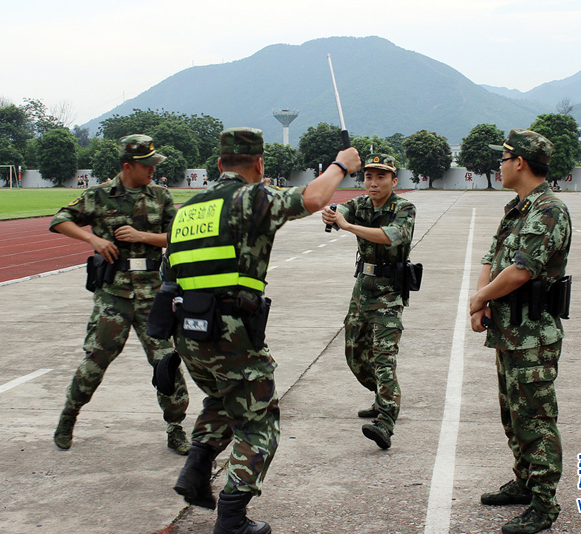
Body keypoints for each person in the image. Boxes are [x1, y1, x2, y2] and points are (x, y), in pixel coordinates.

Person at [160, 127, 360, 534]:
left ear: (219, 163)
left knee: (222, 398)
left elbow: (168, 275)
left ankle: (197, 468)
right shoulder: (251, 197)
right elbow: (313, 198)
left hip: (188, 330)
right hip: (231, 331)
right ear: (259, 163)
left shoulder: (188, 210)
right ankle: (232, 519)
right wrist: (342, 164)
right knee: (258, 422)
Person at [50, 134, 191, 455]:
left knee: (166, 362)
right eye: (147, 165)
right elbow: (60, 220)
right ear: (128, 166)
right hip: (113, 295)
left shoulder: (161, 196)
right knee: (96, 359)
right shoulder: (99, 196)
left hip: (152, 295)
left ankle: (175, 427)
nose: (153, 169)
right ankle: (69, 415)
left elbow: (178, 237)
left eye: (154, 164)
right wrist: (93, 240)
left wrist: (143, 236)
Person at [468, 129, 571, 534]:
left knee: (536, 418)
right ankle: (525, 481)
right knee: (513, 415)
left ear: (520, 163)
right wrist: (482, 301)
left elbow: (521, 270)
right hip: (509, 329)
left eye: (504, 158)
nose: (500, 165)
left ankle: (544, 503)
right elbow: (492, 257)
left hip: (533, 334)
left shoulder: (549, 210)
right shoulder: (518, 208)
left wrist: (480, 299)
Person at [320, 154, 416, 450]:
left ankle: (386, 420)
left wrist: (348, 226)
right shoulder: (360, 204)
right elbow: (342, 210)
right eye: (369, 177)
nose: (373, 183)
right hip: (363, 287)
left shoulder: (404, 208)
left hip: (390, 291)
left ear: (394, 181)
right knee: (354, 350)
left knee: (383, 354)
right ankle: (382, 395)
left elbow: (392, 236)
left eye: (381, 177)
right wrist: (332, 214)